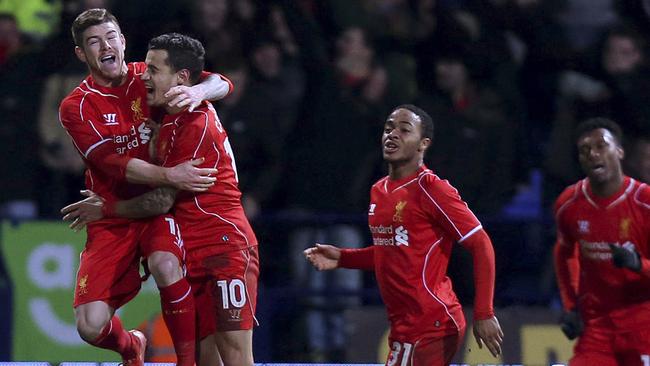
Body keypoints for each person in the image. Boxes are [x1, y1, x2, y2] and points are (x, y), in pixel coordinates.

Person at [62, 33, 259, 366]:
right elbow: (115, 165)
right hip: (194, 249)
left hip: (222, 245)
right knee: (210, 359)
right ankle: (139, 349)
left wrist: (107, 207)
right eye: (95, 41)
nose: (144, 76)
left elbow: (163, 202)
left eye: (153, 70)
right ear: (81, 53)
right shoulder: (164, 116)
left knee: (236, 356)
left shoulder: (194, 122)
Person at [304, 104, 503, 365]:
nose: (392, 134)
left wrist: (484, 312)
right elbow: (394, 251)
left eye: (404, 130)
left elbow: (481, 244)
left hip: (431, 322)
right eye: (388, 128)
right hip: (404, 325)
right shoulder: (379, 189)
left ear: (423, 144)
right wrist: (343, 258)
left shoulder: (431, 189)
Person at [553, 117, 650, 366]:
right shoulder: (569, 204)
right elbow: (564, 253)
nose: (593, 154)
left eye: (600, 146)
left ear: (619, 151)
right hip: (598, 327)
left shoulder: (644, 202)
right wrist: (570, 305)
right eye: (585, 150)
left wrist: (639, 265)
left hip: (644, 323)